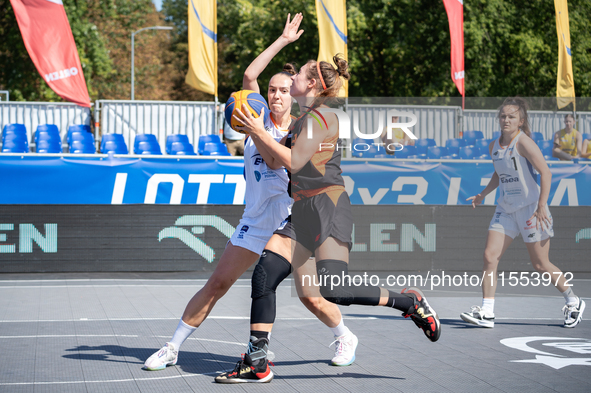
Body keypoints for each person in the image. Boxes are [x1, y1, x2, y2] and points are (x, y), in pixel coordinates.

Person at [215, 27, 440, 384]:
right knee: (265, 273)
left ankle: (408, 303)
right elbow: (275, 156)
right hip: (301, 211)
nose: (292, 77)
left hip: (329, 207)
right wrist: (255, 125)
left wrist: (257, 132)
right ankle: (257, 362)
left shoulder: (322, 118)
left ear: (311, 85)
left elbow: (295, 162)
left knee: (333, 290)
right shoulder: (299, 119)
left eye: (299, 74)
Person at [143, 13, 354, 372]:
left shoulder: (298, 128)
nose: (275, 95)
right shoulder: (254, 114)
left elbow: (279, 163)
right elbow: (249, 77)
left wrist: (259, 132)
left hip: (290, 223)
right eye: (272, 90)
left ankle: (343, 335)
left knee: (311, 298)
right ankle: (172, 346)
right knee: (218, 282)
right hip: (255, 220)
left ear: (296, 95)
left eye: (284, 90)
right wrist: (283, 41)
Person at [460, 97, 585, 329]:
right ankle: (487, 311)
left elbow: (546, 173)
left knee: (540, 264)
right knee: (489, 256)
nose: (506, 120)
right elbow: (499, 173)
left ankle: (573, 300)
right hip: (506, 208)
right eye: (503, 116)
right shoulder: (494, 146)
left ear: (521, 121)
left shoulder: (524, 143)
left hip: (531, 209)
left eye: (511, 116)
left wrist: (541, 205)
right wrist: (483, 194)